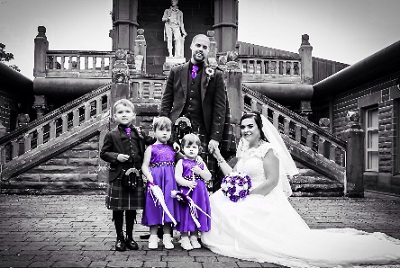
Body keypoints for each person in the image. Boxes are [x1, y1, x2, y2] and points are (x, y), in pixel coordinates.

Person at [201, 111, 400, 267]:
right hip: (245, 194)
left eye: (250, 126)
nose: (245, 130)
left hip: (262, 196)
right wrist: (218, 156)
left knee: (236, 214)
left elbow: (271, 181)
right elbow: (233, 175)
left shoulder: (268, 150)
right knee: (216, 203)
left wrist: (247, 196)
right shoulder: (244, 149)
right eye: (243, 127)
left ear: (260, 128)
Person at [160, 33, 228, 189]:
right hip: (176, 130)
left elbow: (220, 108)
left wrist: (215, 137)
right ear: (191, 46)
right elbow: (166, 101)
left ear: (208, 51)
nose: (201, 49)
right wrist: (164, 127)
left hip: (202, 129)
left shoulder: (216, 75)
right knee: (175, 172)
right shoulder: (176, 71)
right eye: (198, 45)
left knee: (199, 176)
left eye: (205, 47)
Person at [100, 99, 149, 252]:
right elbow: (103, 153)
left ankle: (130, 237)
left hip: (135, 176)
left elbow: (153, 141)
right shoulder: (111, 134)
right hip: (119, 176)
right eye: (120, 112)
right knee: (119, 209)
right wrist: (116, 157)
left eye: (127, 112)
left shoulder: (140, 133)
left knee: (131, 209)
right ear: (115, 117)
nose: (124, 115)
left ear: (133, 115)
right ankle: (119, 238)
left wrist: (170, 140)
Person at [141, 116, 180, 250]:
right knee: (154, 206)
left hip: (170, 182)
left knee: (168, 206)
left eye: (168, 130)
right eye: (161, 130)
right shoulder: (150, 148)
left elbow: (181, 163)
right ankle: (153, 236)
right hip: (156, 182)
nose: (165, 133)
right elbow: (145, 165)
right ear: (154, 131)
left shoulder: (173, 149)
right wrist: (148, 175)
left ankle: (167, 236)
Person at [175, 134, 212, 250]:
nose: (191, 149)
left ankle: (194, 237)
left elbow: (208, 176)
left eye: (194, 147)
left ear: (199, 149)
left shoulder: (200, 163)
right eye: (188, 147)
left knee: (196, 212)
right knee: (186, 213)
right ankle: (184, 238)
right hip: (187, 192)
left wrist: (200, 171)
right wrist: (187, 183)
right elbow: (177, 177)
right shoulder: (181, 162)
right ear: (182, 148)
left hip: (199, 193)